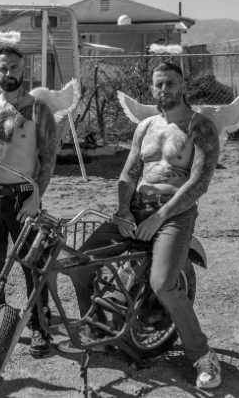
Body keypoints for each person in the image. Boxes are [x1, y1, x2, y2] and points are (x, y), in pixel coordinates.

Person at [69, 61, 221, 389]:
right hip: (136, 209)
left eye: (170, 83)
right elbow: (128, 173)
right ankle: (98, 329)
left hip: (174, 215)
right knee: (79, 264)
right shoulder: (146, 126)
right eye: (158, 84)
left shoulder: (200, 127)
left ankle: (202, 355)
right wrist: (124, 210)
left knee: (163, 283)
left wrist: (159, 217)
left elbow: (198, 183)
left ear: (183, 86)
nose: (163, 89)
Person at [0, 45, 58, 357]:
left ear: (23, 70)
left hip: (23, 200)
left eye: (14, 67)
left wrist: (35, 197)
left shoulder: (38, 109)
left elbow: (48, 159)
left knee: (33, 263)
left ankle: (39, 326)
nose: (9, 73)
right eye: (3, 68)